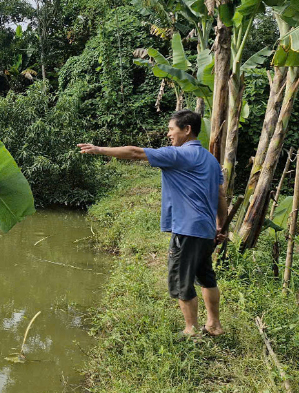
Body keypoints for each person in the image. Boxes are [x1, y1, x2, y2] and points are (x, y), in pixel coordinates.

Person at [77, 110, 227, 337]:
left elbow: (136, 153)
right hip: (205, 230)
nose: (168, 134)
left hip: (187, 230)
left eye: (171, 129)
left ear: (186, 130)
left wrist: (99, 150)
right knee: (206, 277)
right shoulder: (211, 160)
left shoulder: (179, 155)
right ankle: (214, 325)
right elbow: (221, 195)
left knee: (181, 281)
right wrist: (220, 226)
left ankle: (191, 330)